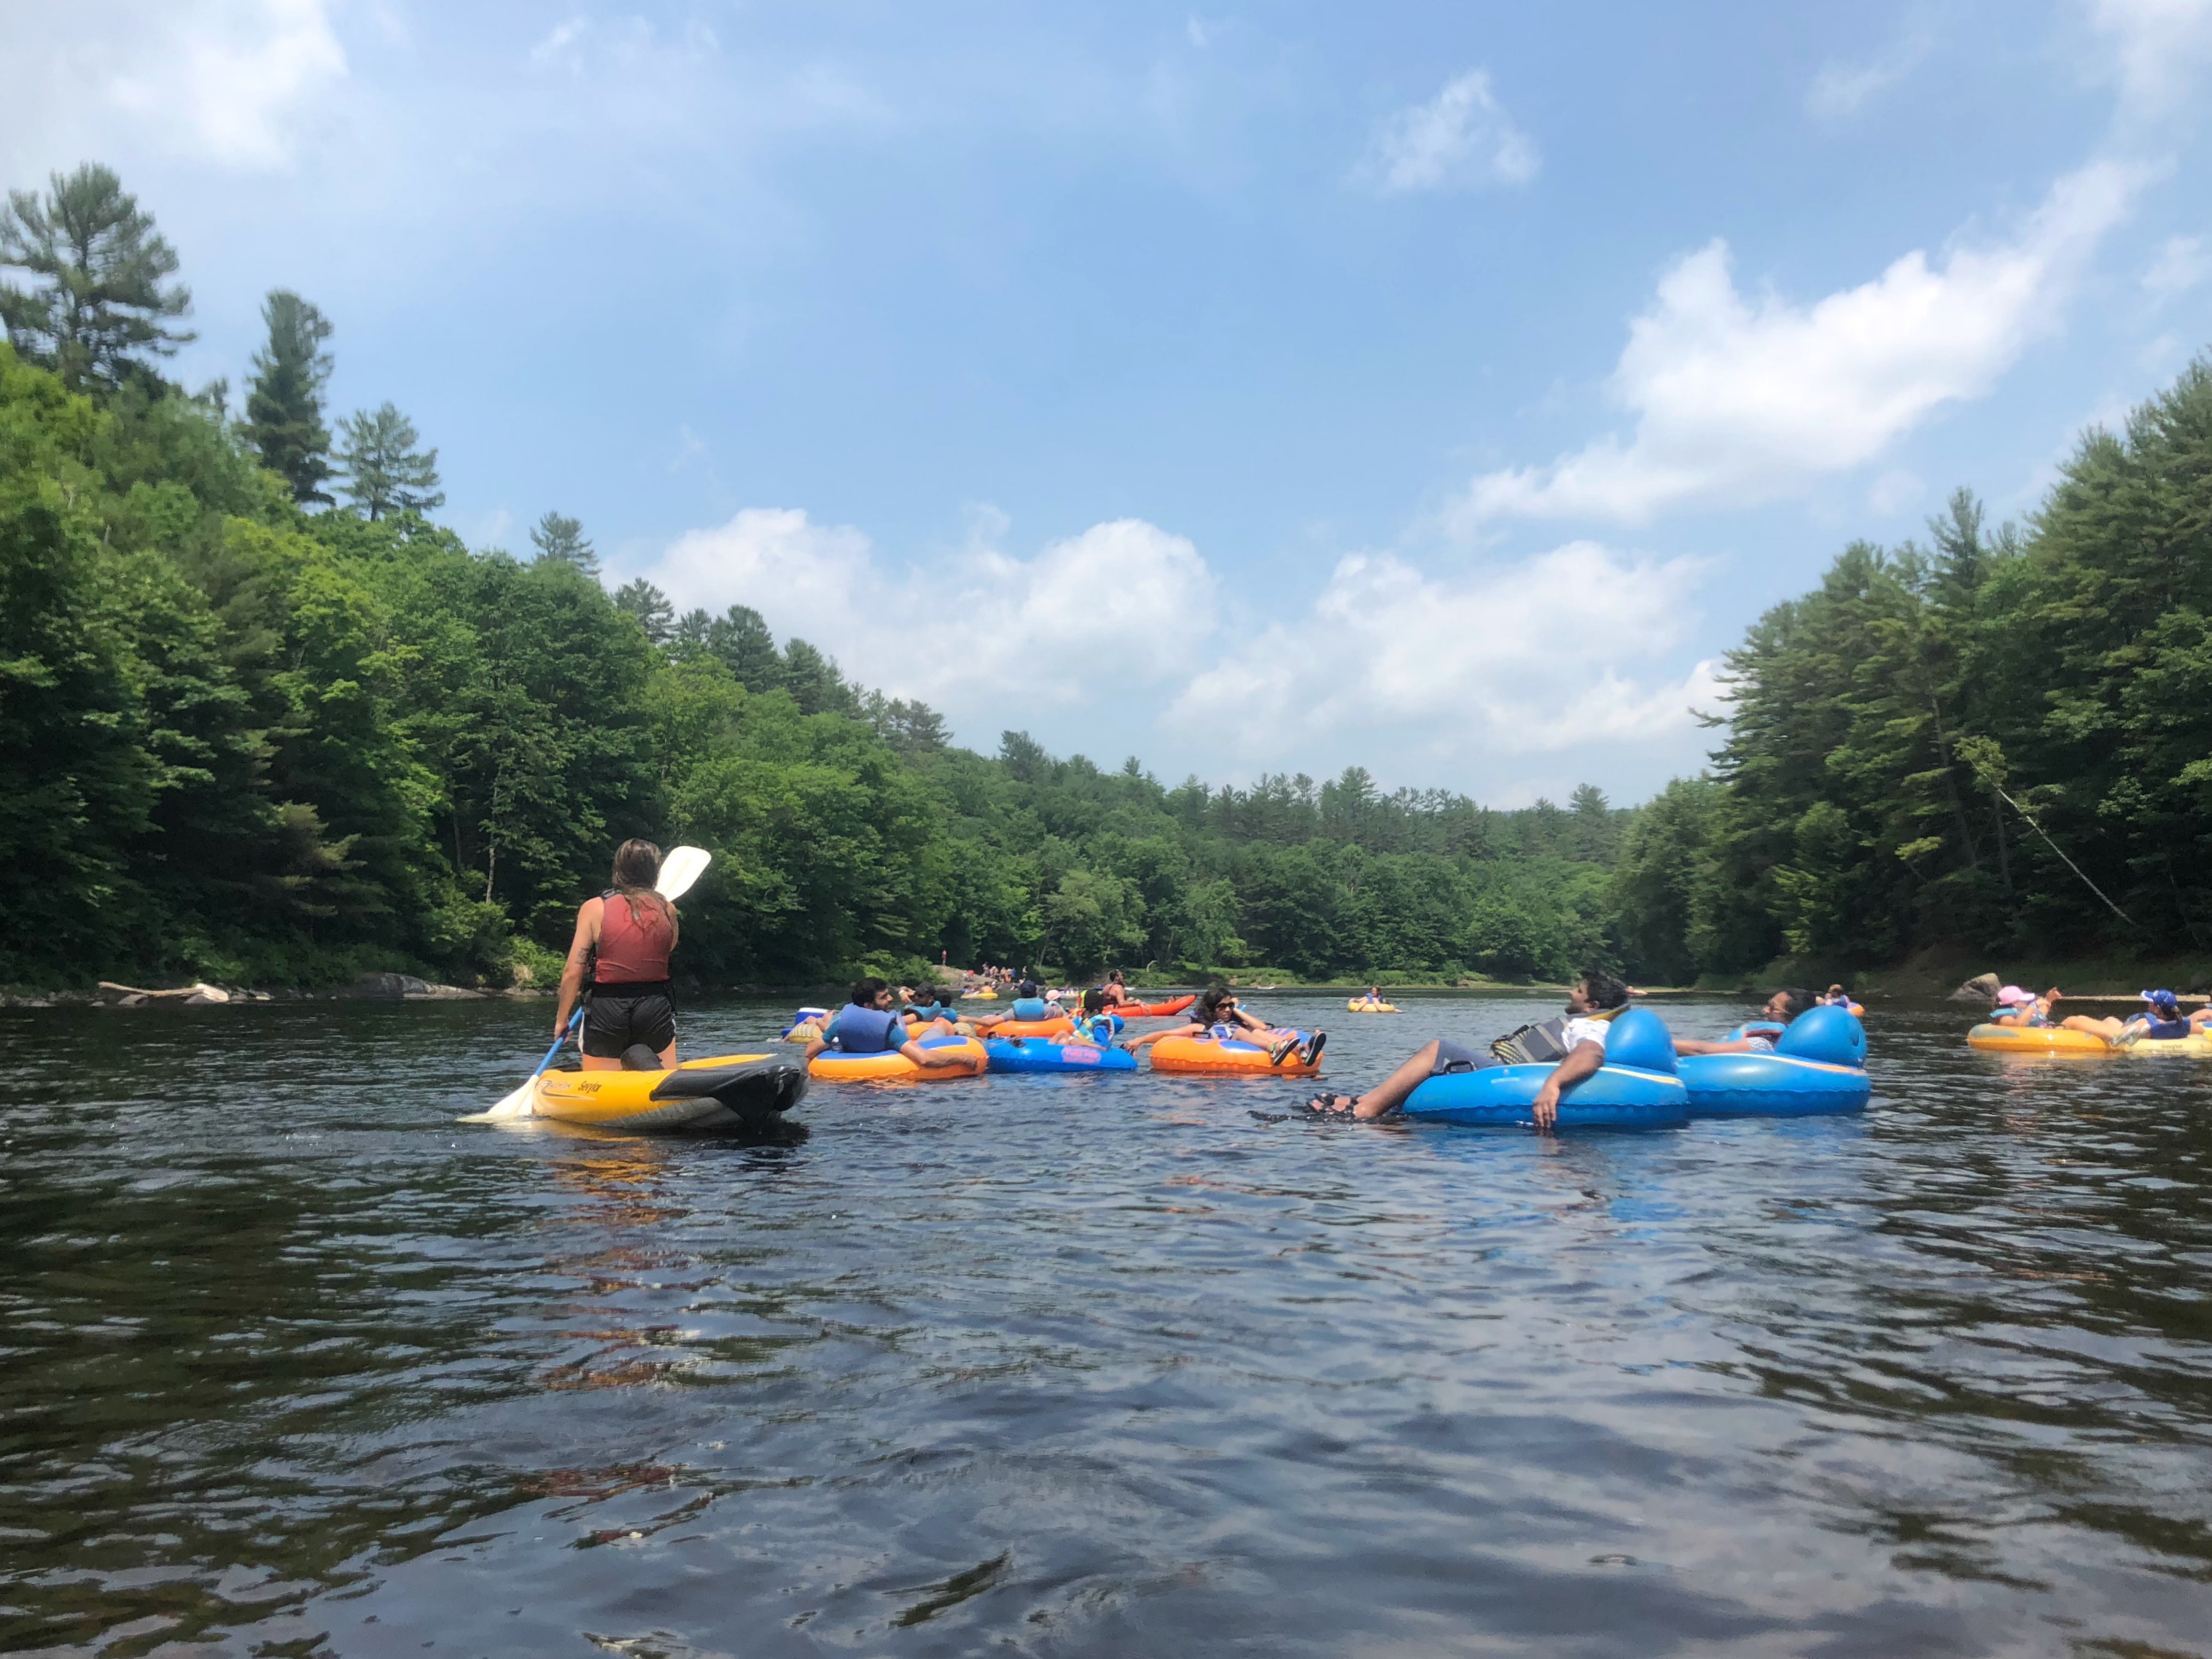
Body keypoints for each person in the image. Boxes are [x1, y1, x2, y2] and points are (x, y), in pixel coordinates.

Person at [1304, 968, 1631, 1128]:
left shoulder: (1589, 1026)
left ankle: (1362, 1112)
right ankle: (1363, 1099)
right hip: (1506, 1069)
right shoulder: (1599, 1022)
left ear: (1593, 1004)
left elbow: (1591, 1054)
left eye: (1577, 990)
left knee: (1438, 1049)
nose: (1570, 993)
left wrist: (1553, 1085)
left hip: (1511, 1078)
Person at [555, 839, 681, 1071]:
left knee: (602, 1082)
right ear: (655, 872)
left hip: (607, 1008)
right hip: (655, 1006)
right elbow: (668, 947)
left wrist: (562, 1020)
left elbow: (573, 971)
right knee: (664, 1079)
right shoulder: (668, 909)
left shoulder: (594, 908)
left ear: (618, 869)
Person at [1120, 985, 1320, 1066]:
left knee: (1255, 1030)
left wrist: (1237, 1010)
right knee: (1240, 1031)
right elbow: (1167, 1032)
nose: (1226, 1010)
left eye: (1229, 1005)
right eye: (1222, 1006)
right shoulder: (1202, 1027)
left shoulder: (1233, 1018)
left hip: (1249, 1037)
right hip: (1227, 1042)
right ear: (1212, 1008)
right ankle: (1277, 1049)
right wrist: (1139, 1040)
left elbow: (1263, 1029)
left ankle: (1302, 1049)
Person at [805, 977, 973, 1070]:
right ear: (868, 1005)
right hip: (891, 1083)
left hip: (850, 1087)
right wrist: (963, 1057)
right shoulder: (889, 1030)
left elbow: (810, 1051)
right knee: (942, 1025)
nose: (891, 998)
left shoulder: (840, 1025)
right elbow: (925, 1059)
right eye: (884, 997)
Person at [1671, 987, 1818, 1054]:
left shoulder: (1763, 1044)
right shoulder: (1807, 1047)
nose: (1765, 1010)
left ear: (1792, 1019)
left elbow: (1702, 1051)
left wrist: (1662, 1044)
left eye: (1772, 1008)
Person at [2060, 988, 2193, 1044]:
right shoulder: (2179, 1024)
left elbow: (2117, 1036)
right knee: (2110, 1019)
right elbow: (2199, 1029)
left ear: (2158, 1009)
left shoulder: (2145, 1023)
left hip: (2121, 1033)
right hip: (2127, 1027)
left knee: (2073, 1020)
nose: (2148, 1005)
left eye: (2151, 1003)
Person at [1988, 985, 2055, 1028]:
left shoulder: (2022, 1013)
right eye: (2025, 1001)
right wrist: (2033, 1006)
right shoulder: (2005, 1018)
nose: (2027, 1003)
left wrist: (2048, 1000)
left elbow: (2040, 1015)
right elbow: (2018, 1026)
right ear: (2015, 1003)